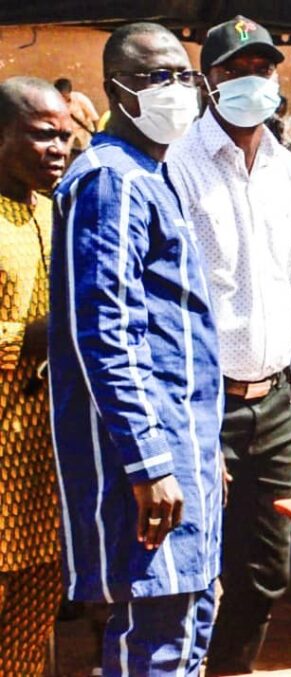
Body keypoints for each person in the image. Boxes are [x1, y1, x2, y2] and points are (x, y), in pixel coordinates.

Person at [49, 22, 222, 675]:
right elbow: (106, 331)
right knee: (154, 638)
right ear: (114, 89)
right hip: (147, 464)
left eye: (183, 75)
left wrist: (202, 453)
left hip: (183, 450)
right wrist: (150, 463)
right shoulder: (111, 181)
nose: (176, 89)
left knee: (188, 627)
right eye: (156, 76)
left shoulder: (152, 175)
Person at [165, 16, 291, 673]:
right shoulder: (178, 163)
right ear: (208, 80)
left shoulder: (287, 169)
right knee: (190, 568)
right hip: (206, 403)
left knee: (265, 571)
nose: (252, 81)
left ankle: (228, 669)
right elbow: (168, 299)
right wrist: (190, 417)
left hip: (277, 403)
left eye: (262, 68)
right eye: (235, 70)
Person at [0, 76, 70, 674]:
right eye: (44, 135)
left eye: (65, 136)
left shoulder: (55, 213)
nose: (59, 149)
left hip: (46, 468)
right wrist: (31, 338)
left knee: (31, 626)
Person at [54, 77, 101, 156]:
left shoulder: (80, 99)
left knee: (88, 151)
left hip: (84, 128)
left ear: (69, 92)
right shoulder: (55, 101)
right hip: (68, 130)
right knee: (63, 151)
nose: (63, 98)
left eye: (64, 96)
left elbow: (94, 117)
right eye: (60, 96)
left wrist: (95, 133)